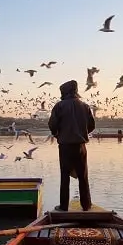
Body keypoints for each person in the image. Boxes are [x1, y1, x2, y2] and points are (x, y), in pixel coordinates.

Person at [48, 80, 95, 211]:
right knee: (83, 176)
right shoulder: (85, 106)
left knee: (65, 176)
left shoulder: (59, 106)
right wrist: (81, 134)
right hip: (81, 146)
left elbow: (52, 125)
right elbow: (91, 126)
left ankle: (63, 206)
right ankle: (86, 205)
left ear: (65, 92)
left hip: (65, 146)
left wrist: (58, 134)